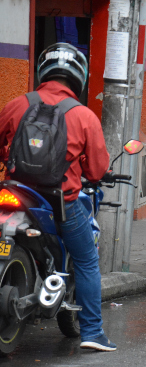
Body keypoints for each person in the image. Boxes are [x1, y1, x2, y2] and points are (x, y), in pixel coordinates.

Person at [0, 43, 115, 351]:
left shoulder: (16, 104)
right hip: (60, 202)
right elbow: (97, 169)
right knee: (87, 260)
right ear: (79, 76)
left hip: (14, 193)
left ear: (43, 70)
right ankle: (92, 333)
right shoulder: (84, 116)